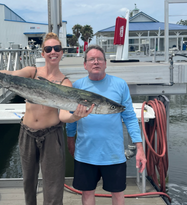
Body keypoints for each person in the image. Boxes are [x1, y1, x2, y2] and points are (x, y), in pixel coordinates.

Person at [0, 32, 73, 205]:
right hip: (27, 132)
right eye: (48, 49)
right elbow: (10, 74)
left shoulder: (65, 83)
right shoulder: (32, 72)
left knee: (53, 184)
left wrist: (75, 115)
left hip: (51, 135)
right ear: (43, 53)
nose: (53, 52)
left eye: (57, 48)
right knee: (28, 181)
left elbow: (64, 114)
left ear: (62, 52)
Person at [59, 45, 147, 205]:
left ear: (106, 63)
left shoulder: (120, 85)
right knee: (87, 192)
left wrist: (139, 148)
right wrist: (70, 140)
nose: (96, 62)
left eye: (99, 59)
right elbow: (72, 117)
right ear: (85, 65)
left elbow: (130, 117)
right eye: (91, 59)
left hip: (113, 153)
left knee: (118, 193)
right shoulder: (77, 86)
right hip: (85, 152)